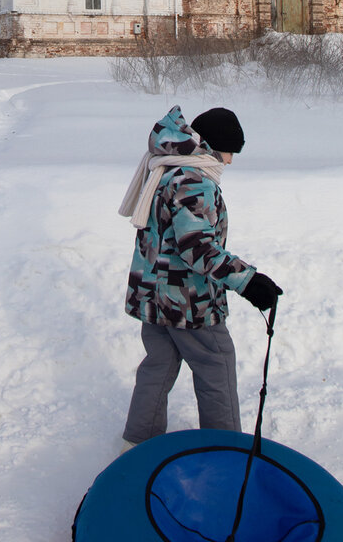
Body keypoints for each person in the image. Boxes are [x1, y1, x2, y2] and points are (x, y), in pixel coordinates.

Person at [119, 104, 281, 446]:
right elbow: (197, 248)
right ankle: (226, 450)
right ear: (211, 146)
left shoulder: (169, 170)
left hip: (156, 296)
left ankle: (136, 445)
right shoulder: (194, 182)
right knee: (217, 368)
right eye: (229, 152)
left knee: (158, 368)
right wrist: (248, 281)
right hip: (188, 301)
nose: (230, 161)